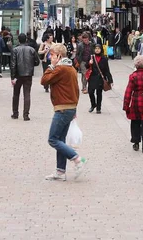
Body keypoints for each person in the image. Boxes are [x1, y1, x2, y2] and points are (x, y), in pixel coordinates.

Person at [40, 43, 88, 181]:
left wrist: (51, 66)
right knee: (60, 139)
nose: (50, 57)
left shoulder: (60, 69)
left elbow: (44, 81)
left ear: (59, 56)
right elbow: (76, 89)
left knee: (53, 139)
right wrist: (75, 107)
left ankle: (77, 159)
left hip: (63, 108)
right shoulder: (71, 68)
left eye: (53, 55)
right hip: (69, 107)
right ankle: (60, 172)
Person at [10, 33, 40, 121]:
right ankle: (26, 115)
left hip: (18, 74)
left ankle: (15, 113)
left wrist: (12, 77)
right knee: (27, 94)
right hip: (28, 74)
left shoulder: (15, 50)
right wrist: (31, 65)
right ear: (26, 39)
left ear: (18, 40)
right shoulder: (31, 50)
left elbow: (13, 64)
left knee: (16, 94)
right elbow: (37, 62)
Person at [87, 44, 113, 114]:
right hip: (92, 77)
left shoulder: (104, 58)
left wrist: (110, 80)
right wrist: (89, 63)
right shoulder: (92, 57)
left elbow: (107, 70)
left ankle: (98, 108)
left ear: (101, 49)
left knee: (99, 93)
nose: (97, 50)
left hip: (100, 78)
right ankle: (93, 104)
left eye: (98, 48)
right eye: (96, 48)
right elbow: (86, 66)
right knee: (90, 92)